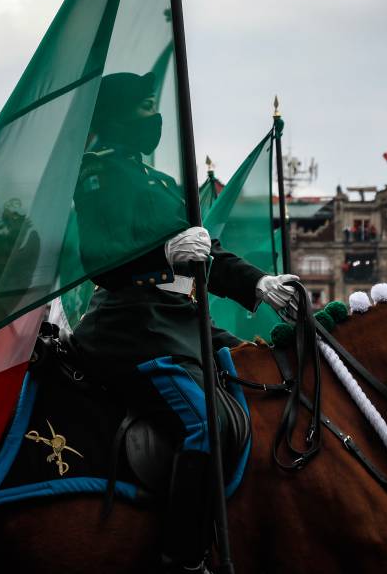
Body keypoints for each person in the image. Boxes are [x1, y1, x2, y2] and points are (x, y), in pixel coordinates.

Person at [71, 72, 299, 573]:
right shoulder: (98, 174)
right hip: (131, 326)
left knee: (268, 375)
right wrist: (161, 256)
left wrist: (259, 285)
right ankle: (183, 558)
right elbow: (98, 257)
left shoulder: (160, 181)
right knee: (207, 424)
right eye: (142, 107)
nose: (152, 117)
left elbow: (205, 255)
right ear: (112, 118)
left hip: (178, 319)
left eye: (155, 106)